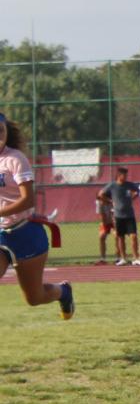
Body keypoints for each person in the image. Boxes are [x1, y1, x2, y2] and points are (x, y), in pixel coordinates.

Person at [0, 113, 72, 319]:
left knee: (34, 298)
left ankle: (64, 292)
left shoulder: (15, 159)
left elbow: (28, 200)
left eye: (0, 129)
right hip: (1, 234)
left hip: (25, 232)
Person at [99, 168, 139, 266]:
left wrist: (132, 197)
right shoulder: (112, 185)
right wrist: (110, 201)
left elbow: (137, 191)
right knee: (120, 237)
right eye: (123, 175)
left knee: (133, 236)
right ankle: (123, 258)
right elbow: (101, 194)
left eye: (126, 175)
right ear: (119, 175)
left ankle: (136, 258)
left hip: (129, 215)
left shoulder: (129, 185)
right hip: (118, 215)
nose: (125, 177)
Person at [96, 191, 114, 265]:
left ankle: (119, 257)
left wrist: (112, 222)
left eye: (102, 196)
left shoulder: (112, 203)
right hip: (105, 222)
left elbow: (113, 214)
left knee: (117, 236)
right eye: (99, 197)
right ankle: (103, 258)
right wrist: (105, 225)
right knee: (101, 237)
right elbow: (101, 216)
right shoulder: (99, 204)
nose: (101, 198)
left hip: (113, 221)